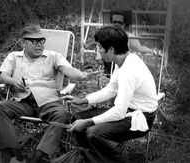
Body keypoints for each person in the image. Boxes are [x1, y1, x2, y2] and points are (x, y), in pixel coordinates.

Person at [0, 24, 100, 163]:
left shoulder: (53, 56)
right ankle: (14, 155)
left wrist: (82, 75)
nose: (39, 45)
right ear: (24, 42)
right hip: (23, 102)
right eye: (34, 42)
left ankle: (36, 158)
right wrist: (13, 81)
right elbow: (2, 76)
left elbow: (68, 69)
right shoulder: (14, 57)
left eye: (41, 41)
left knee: (62, 114)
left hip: (48, 102)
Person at [63, 25, 158, 162]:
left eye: (100, 48)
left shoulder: (128, 71)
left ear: (112, 49)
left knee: (92, 132)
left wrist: (88, 121)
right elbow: (110, 90)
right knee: (77, 119)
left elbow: (119, 111)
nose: (98, 51)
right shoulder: (123, 61)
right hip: (128, 111)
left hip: (141, 118)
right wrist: (83, 100)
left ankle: (115, 158)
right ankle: (94, 157)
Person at [103, 10, 155, 77]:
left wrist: (152, 51)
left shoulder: (130, 37)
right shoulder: (105, 37)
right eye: (114, 22)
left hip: (125, 71)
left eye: (120, 22)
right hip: (109, 72)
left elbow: (139, 48)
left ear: (124, 24)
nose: (117, 24)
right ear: (111, 23)